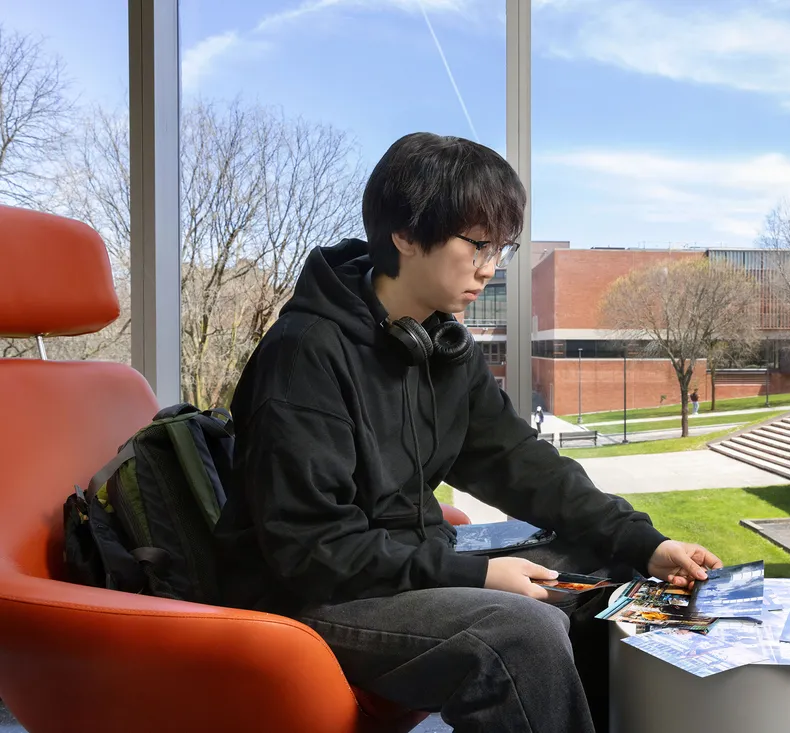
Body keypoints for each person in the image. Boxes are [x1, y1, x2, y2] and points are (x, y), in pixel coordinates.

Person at [214, 132, 722, 733]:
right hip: (311, 598)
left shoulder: (442, 348)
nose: (491, 267)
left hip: (405, 566)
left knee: (603, 570)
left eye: (500, 247)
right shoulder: (304, 357)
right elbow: (312, 551)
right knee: (517, 634)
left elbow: (523, 463)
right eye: (478, 244)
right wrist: (476, 575)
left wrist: (645, 543)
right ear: (404, 234)